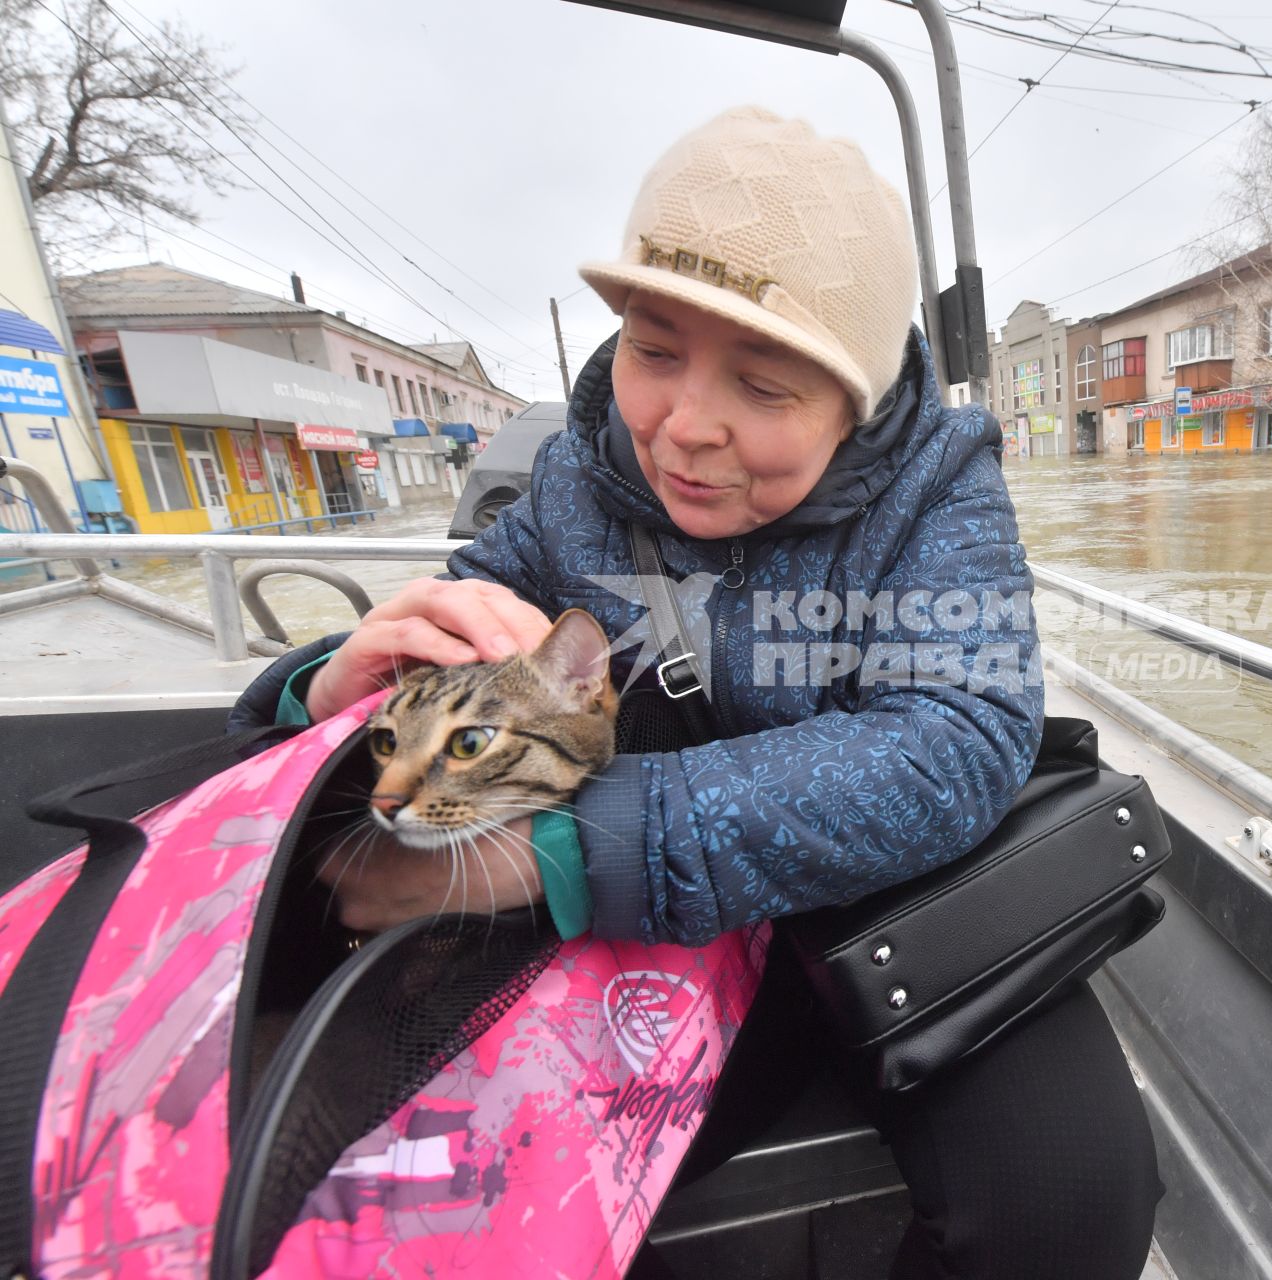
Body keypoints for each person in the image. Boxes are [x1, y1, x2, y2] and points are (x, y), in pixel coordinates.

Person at [229, 106, 1161, 1278]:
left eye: (764, 385)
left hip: (887, 907)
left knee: (1069, 1198)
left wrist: (567, 847)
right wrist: (324, 684)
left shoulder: (941, 485)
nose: (682, 427)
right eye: (654, 350)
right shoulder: (579, 475)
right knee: (396, 1166)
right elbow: (451, 629)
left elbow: (955, 739)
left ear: (856, 402)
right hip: (653, 934)